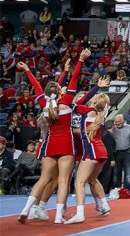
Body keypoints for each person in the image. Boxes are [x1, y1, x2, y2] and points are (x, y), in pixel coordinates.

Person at [16, 50, 87, 224]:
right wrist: (80, 60)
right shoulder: (68, 101)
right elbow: (75, 78)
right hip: (66, 146)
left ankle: (27, 209)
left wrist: (27, 70)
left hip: (50, 145)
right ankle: (57, 216)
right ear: (61, 93)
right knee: (63, 180)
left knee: (43, 179)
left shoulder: (43, 104)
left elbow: (38, 87)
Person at [66, 80, 112, 224]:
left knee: (79, 182)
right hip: (101, 151)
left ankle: (80, 213)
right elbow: (85, 131)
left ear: (95, 101)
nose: (92, 97)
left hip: (91, 150)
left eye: (95, 96)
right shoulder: (101, 115)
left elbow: (74, 104)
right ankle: (104, 204)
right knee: (92, 179)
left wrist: (96, 87)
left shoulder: (88, 111)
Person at [112, 114, 130, 189]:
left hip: (127, 152)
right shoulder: (113, 128)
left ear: (123, 121)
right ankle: (117, 190)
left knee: (128, 173)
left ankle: (128, 191)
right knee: (116, 173)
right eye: (116, 122)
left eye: (119, 121)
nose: (117, 123)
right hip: (116, 153)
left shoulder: (128, 127)